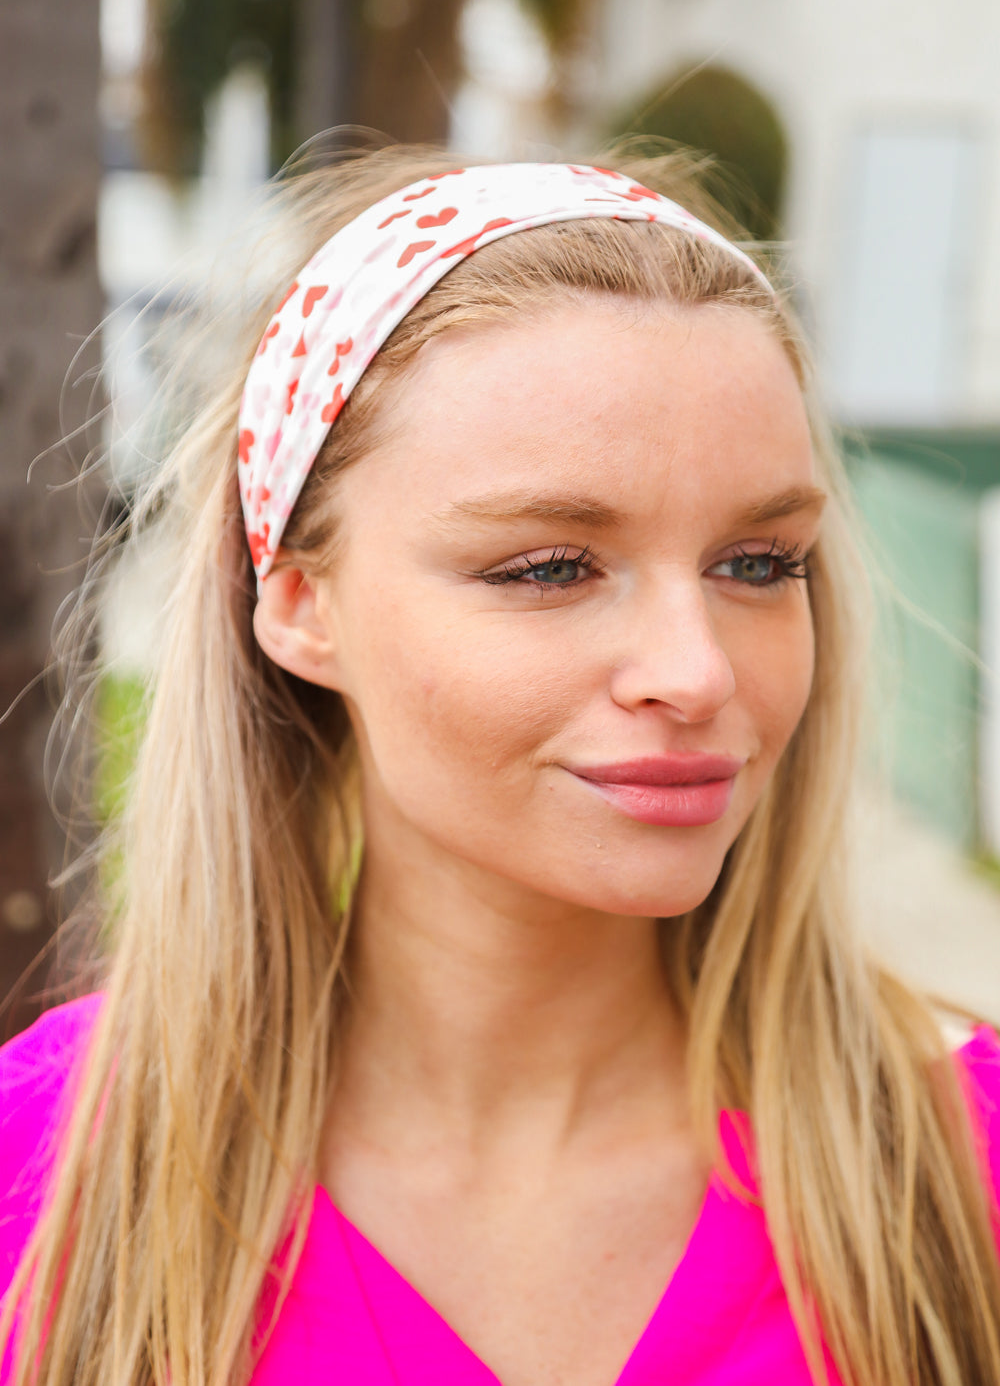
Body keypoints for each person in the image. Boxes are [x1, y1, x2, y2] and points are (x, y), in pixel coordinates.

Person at [0, 148, 998, 1386]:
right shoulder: (44, 1166)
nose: (696, 673)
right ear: (303, 602)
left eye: (757, 562)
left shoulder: (961, 1166)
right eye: (548, 568)